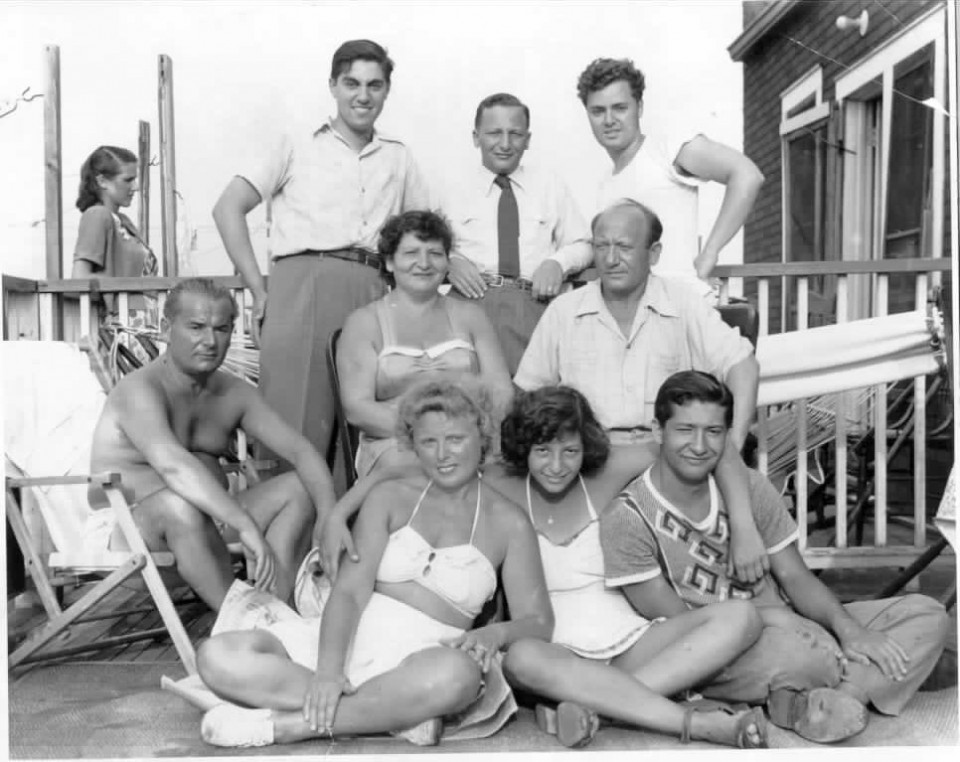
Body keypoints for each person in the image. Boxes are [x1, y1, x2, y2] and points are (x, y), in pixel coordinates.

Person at [195, 379, 553, 748]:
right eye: (429, 442)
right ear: (414, 445)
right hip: (349, 636)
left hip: (424, 660)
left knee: (458, 677)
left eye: (456, 439)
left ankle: (289, 726)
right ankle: (389, 716)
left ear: (482, 437)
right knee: (216, 656)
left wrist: (495, 634)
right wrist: (329, 673)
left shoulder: (509, 522)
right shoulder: (390, 498)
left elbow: (540, 621)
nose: (443, 454)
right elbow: (349, 592)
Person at [600, 370, 951, 744]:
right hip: (725, 650)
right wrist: (778, 620)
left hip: (792, 621)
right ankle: (837, 686)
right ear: (659, 431)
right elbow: (679, 625)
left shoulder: (748, 486)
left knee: (926, 615)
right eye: (685, 430)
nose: (699, 445)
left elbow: (796, 577)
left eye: (714, 432)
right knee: (803, 656)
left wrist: (850, 631)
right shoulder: (628, 517)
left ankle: (838, 698)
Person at [495, 386, 767, 749]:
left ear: (585, 446)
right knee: (520, 658)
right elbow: (413, 465)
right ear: (524, 448)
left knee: (742, 616)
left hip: (631, 646)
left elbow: (716, 451)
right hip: (556, 657)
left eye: (570, 451)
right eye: (542, 451)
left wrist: (745, 527)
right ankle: (697, 724)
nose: (557, 466)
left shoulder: (605, 473)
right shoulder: (499, 485)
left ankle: (604, 711)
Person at [515, 199, 768, 583]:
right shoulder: (565, 312)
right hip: (591, 460)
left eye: (625, 247)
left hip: (667, 456)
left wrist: (732, 439)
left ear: (653, 253)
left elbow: (742, 364)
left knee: (746, 489)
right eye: (602, 246)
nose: (611, 258)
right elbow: (528, 396)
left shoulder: (682, 304)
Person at [213, 39, 429, 466]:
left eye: (375, 85)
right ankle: (286, 531)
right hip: (304, 287)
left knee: (368, 425)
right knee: (293, 425)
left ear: (387, 90)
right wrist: (259, 290)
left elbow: (424, 233)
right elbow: (227, 209)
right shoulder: (296, 142)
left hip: (374, 290)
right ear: (332, 85)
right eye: (351, 83)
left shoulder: (399, 157)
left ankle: (355, 531)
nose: (362, 96)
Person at [88, 278, 337, 611]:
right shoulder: (140, 390)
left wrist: (328, 517)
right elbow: (173, 466)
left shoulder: (233, 392)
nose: (209, 341)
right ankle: (241, 621)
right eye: (196, 327)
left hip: (210, 527)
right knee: (179, 503)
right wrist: (244, 523)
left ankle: (275, 611)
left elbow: (300, 451)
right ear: (166, 328)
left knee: (300, 487)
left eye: (221, 329)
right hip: (129, 532)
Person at [337, 210, 513, 477]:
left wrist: (471, 435)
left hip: (472, 439)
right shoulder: (364, 322)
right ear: (389, 262)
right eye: (411, 253)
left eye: (435, 253)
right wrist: (429, 436)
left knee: (503, 472)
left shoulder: (471, 316)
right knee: (411, 467)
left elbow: (501, 390)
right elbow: (357, 409)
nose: (424, 263)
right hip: (395, 443)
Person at [577, 58, 764, 290]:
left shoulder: (665, 149)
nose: (609, 120)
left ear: (640, 107)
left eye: (620, 108)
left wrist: (710, 252)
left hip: (680, 308)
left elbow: (747, 174)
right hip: (633, 315)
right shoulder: (606, 183)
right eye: (598, 111)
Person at [442, 93, 592, 373]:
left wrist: (557, 263)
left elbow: (583, 243)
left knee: (530, 399)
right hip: (470, 305)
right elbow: (419, 242)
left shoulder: (549, 185)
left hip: (531, 305)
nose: (505, 144)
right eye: (494, 133)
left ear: (528, 139)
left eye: (515, 134)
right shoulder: (451, 188)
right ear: (476, 137)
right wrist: (447, 261)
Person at [71, 145, 159, 336]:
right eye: (128, 180)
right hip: (124, 323)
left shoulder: (124, 221)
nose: (135, 187)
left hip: (146, 320)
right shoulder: (97, 215)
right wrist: (116, 286)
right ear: (102, 181)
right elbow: (79, 278)